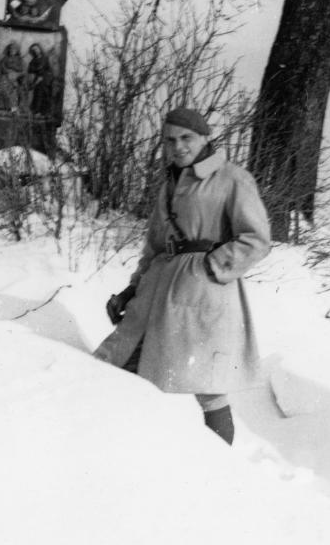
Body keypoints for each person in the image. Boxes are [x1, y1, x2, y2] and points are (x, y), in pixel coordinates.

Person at [93, 108, 271, 444]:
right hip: (158, 291)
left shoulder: (232, 179)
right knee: (120, 363)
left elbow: (257, 238)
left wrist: (211, 266)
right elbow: (155, 246)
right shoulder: (169, 185)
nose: (178, 146)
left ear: (204, 138)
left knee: (207, 386)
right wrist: (132, 290)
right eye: (170, 140)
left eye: (186, 138)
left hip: (203, 295)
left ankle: (222, 471)